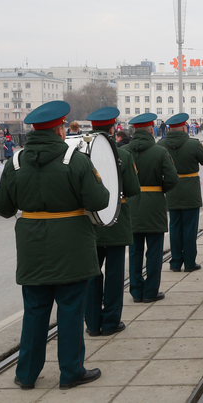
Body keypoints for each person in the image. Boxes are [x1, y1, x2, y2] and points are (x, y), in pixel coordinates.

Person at [0, 100, 109, 390]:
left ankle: (26, 374)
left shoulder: (16, 162)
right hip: (72, 246)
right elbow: (99, 201)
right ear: (60, 130)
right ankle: (71, 371)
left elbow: (4, 208)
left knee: (34, 310)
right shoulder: (75, 159)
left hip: (33, 246)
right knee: (71, 310)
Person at [84, 107, 140, 337]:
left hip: (90, 222)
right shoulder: (123, 155)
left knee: (91, 274)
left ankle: (92, 323)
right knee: (115, 274)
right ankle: (111, 322)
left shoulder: (81, 155)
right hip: (116, 219)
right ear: (112, 128)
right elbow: (133, 189)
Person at [122, 112, 179, 303]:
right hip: (154, 203)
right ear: (151, 129)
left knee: (135, 250)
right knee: (154, 251)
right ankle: (151, 291)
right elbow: (172, 179)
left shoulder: (124, 151)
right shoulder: (159, 152)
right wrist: (158, 190)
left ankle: (136, 290)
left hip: (130, 204)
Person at [158, 113, 203, 272]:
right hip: (190, 191)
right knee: (190, 228)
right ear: (184, 128)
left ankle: (175, 262)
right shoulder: (193, 144)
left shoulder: (161, 144)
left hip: (172, 190)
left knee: (175, 227)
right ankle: (190, 262)